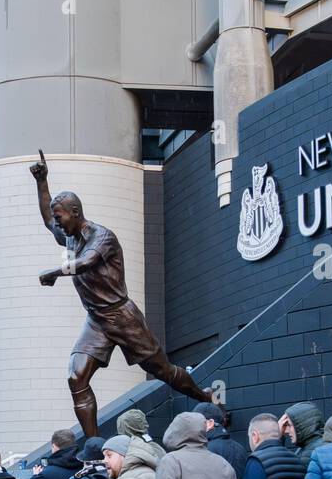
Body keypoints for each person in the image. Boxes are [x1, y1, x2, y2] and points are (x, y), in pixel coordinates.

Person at [29, 155, 210, 438]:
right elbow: (46, 219)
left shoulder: (103, 236)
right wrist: (42, 181)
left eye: (61, 216)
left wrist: (54, 272)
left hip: (122, 316)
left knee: (163, 371)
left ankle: (206, 398)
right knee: (76, 376)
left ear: (75, 212)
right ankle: (93, 449)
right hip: (97, 320)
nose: (58, 223)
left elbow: (86, 262)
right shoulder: (69, 236)